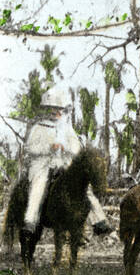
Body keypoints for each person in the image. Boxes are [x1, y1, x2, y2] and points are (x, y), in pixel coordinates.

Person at [20, 88, 111, 236]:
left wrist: (66, 147)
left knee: (83, 187)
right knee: (39, 184)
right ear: (48, 110)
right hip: (43, 163)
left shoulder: (66, 128)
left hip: (63, 162)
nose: (56, 112)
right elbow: (30, 147)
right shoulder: (39, 127)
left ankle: (99, 220)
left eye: (59, 109)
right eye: (53, 109)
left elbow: (77, 147)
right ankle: (30, 220)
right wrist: (49, 147)